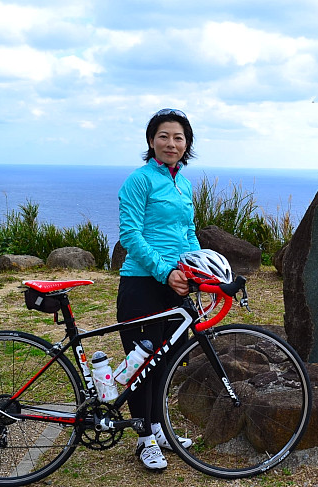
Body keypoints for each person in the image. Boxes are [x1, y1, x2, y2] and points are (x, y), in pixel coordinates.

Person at [116, 108, 200, 471]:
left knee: (167, 361)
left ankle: (160, 427)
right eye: (163, 136)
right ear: (151, 141)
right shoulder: (140, 180)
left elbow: (188, 232)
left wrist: (199, 267)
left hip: (176, 284)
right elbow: (130, 235)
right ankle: (144, 439)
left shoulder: (184, 183)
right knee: (141, 364)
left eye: (178, 137)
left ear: (187, 145)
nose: (171, 143)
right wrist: (166, 272)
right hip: (142, 284)